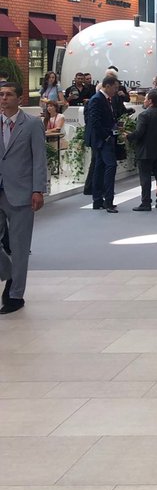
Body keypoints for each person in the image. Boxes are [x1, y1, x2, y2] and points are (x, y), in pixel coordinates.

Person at [0, 81, 47, 315]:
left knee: (19, 246)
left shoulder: (32, 124)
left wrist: (38, 189)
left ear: (19, 99)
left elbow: (39, 158)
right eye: (1, 94)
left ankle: (15, 295)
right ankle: (10, 273)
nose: (3, 98)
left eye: (8, 94)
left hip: (22, 193)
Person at [128, 88, 157, 211]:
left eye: (146, 99)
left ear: (151, 101)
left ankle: (146, 202)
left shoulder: (144, 115)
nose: (144, 101)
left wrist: (129, 136)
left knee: (145, 177)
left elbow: (139, 133)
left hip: (145, 150)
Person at [85, 75, 121, 212]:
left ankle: (98, 200)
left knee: (99, 168)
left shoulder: (105, 99)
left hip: (103, 139)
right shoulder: (97, 99)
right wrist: (106, 136)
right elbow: (95, 121)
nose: (116, 90)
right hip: (102, 140)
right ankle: (108, 201)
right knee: (110, 166)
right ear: (107, 86)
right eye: (115, 88)